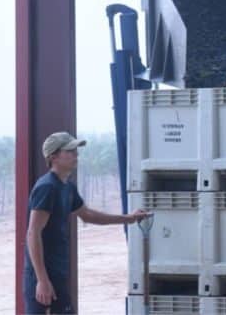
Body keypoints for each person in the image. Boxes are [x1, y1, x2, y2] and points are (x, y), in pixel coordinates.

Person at [23, 131, 150, 314]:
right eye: (70, 151)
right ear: (53, 157)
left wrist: (128, 218)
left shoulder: (67, 187)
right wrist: (42, 280)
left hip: (57, 274)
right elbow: (33, 233)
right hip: (41, 277)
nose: (76, 155)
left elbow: (88, 215)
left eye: (76, 150)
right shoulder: (47, 187)